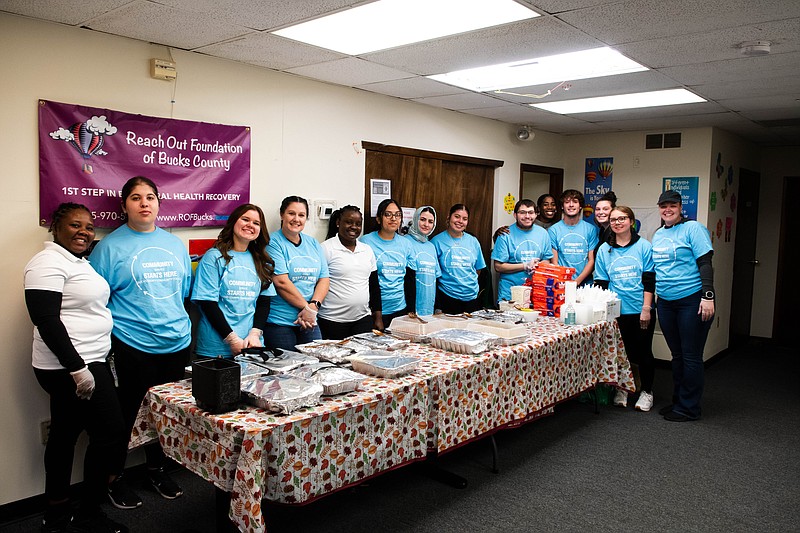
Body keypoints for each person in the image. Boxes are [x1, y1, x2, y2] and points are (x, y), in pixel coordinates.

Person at [25, 203, 129, 533]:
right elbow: (45, 320)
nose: (84, 231)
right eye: (75, 225)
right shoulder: (45, 263)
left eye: (89, 225)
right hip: (70, 367)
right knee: (110, 433)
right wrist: (77, 368)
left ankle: (57, 515)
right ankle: (88, 513)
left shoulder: (76, 261)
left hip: (88, 361)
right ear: (55, 227)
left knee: (65, 435)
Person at [89, 176, 191, 505]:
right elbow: (96, 300)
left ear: (159, 203)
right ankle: (113, 477)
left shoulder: (175, 243)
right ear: (124, 206)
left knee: (165, 414)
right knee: (126, 415)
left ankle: (157, 469)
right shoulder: (108, 247)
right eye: (135, 198)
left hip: (176, 342)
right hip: (132, 345)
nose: (144, 203)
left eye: (150, 197)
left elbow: (183, 292)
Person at [651, 190, 715, 422]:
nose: (667, 209)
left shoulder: (693, 229)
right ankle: (678, 401)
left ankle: (690, 408)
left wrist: (707, 296)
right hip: (666, 302)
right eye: (663, 206)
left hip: (692, 299)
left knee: (690, 356)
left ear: (680, 207)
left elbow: (705, 263)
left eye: (672, 205)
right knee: (676, 355)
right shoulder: (658, 234)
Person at [593, 205, 656, 412]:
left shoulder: (644, 247)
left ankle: (647, 392)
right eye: (613, 220)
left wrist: (646, 308)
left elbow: (649, 280)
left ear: (631, 221)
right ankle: (624, 388)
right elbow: (602, 284)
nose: (617, 223)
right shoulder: (604, 249)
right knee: (621, 353)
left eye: (622, 219)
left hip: (640, 309)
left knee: (644, 352)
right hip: (617, 312)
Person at [192, 204, 275, 357]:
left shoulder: (261, 260)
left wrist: (255, 334)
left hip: (251, 345)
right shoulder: (213, 257)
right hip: (216, 348)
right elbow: (207, 303)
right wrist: (232, 339)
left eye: (256, 223)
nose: (250, 225)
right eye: (245, 219)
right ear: (233, 222)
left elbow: (264, 301)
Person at [264, 196, 330, 350]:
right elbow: (281, 282)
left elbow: (324, 279)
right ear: (282, 215)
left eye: (301, 215)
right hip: (280, 323)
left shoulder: (312, 243)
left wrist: (313, 306)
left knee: (315, 364)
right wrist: (307, 309)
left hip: (310, 319)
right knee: (287, 370)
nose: (296, 219)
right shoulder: (272, 242)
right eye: (291, 213)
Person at [319, 205, 380, 339]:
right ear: (338, 223)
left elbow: (374, 286)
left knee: (361, 359)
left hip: (362, 320)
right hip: (332, 321)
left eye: (358, 224)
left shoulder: (367, 250)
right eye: (349, 222)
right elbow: (317, 284)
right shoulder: (325, 248)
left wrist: (377, 316)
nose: (354, 227)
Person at [361, 199, 413, 330]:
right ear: (379, 219)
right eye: (388, 214)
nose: (393, 218)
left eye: (397, 215)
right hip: (374, 310)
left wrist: (411, 310)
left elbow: (410, 279)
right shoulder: (366, 241)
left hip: (400, 308)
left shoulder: (406, 244)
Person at [492, 199, 552, 303]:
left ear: (536, 214)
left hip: (536, 292)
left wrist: (538, 265)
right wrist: (525, 266)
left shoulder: (543, 234)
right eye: (522, 212)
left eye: (531, 212)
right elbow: (498, 266)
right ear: (515, 215)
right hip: (509, 293)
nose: (527, 216)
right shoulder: (505, 235)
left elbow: (547, 260)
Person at [431, 203, 486, 314]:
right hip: (447, 297)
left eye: (464, 219)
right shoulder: (436, 241)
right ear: (449, 217)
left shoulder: (473, 241)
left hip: (472, 297)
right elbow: (434, 274)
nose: (460, 221)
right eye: (457, 216)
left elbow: (478, 269)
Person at [548, 189, 598, 286]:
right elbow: (555, 261)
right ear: (562, 206)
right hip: (561, 283)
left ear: (580, 206)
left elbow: (591, 260)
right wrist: (564, 281)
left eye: (575, 202)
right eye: (567, 202)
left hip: (586, 285)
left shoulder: (590, 229)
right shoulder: (553, 230)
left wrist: (576, 282)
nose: (571, 205)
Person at [404, 206, 441, 316]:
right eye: (423, 219)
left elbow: (436, 278)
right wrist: (409, 308)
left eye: (430, 221)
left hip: (429, 305)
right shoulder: (405, 242)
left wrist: (438, 307)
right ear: (415, 219)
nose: (426, 224)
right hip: (410, 306)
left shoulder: (431, 246)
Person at [593, 191, 617, 256]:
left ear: (613, 211)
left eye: (605, 209)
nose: (601, 212)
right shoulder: (603, 230)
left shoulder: (616, 232)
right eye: (598, 209)